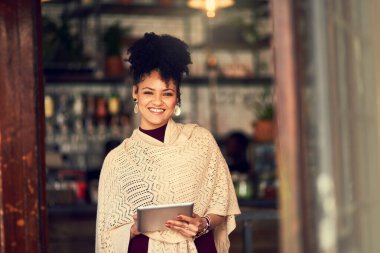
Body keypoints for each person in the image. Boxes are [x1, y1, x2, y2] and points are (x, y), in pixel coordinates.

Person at [95, 32, 240, 253]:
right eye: (148, 92)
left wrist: (203, 223)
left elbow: (223, 204)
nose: (157, 102)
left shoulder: (200, 140)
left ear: (177, 98)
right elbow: (106, 232)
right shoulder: (118, 159)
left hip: (198, 246)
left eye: (167, 93)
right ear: (135, 93)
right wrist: (132, 229)